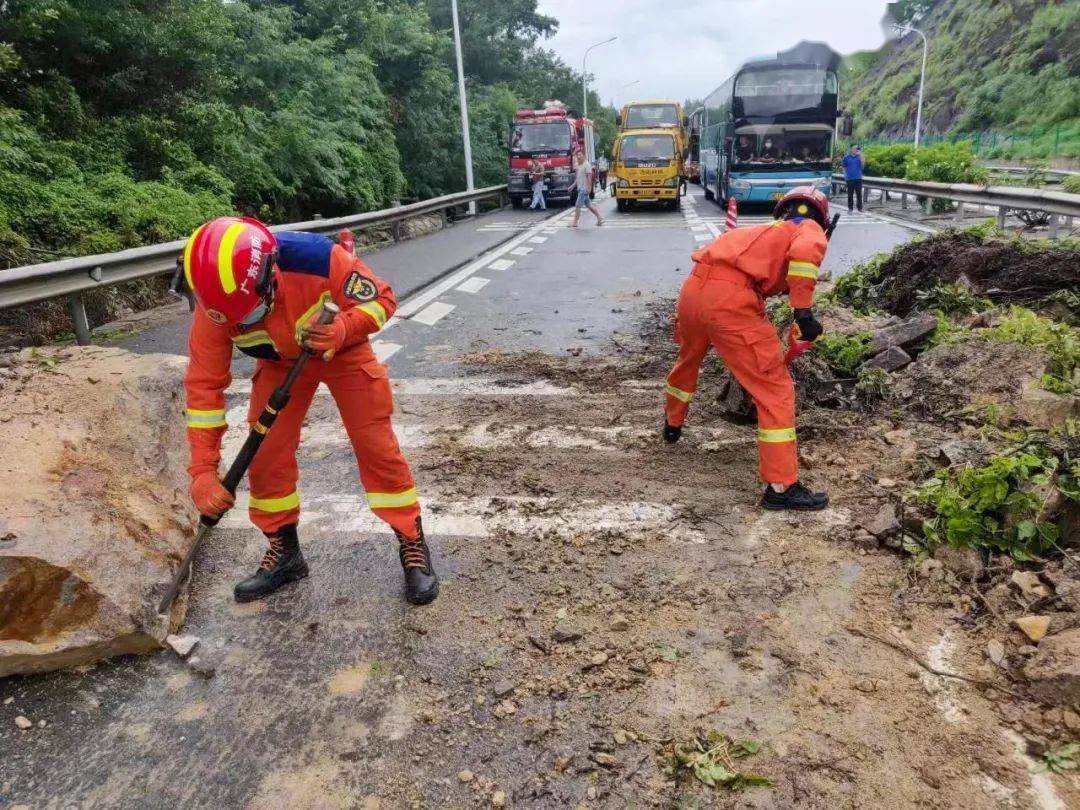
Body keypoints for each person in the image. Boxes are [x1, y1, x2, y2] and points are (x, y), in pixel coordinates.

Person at [181, 216, 439, 606]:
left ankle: (412, 543)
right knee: (266, 454)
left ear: (270, 275)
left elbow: (383, 301)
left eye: (249, 314)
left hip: (343, 351)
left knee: (376, 446)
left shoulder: (319, 260)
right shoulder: (217, 304)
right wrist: (202, 471)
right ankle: (284, 551)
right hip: (279, 365)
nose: (241, 322)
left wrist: (344, 329)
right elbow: (203, 388)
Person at [661, 186, 831, 511]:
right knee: (775, 389)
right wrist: (803, 312)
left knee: (688, 359)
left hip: (694, 291)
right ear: (821, 218)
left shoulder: (761, 231)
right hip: (731, 300)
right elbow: (807, 255)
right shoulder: (805, 227)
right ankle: (781, 488)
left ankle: (673, 424)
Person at [569, 149, 604, 228]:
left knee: (578, 205)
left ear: (583, 156)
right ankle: (599, 218)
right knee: (589, 205)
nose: (578, 157)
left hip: (584, 189)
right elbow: (578, 179)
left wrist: (589, 188)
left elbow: (589, 177)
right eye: (577, 155)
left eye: (580, 155)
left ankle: (575, 222)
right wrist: (572, 186)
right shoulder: (579, 165)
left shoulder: (587, 165)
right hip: (580, 188)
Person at [843, 144, 864, 212]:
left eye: (857, 148)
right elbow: (844, 167)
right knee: (850, 194)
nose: (856, 150)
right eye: (854, 148)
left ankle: (860, 208)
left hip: (858, 178)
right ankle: (850, 208)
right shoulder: (846, 157)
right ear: (851, 149)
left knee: (859, 194)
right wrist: (845, 175)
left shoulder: (859, 157)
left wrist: (860, 155)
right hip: (850, 178)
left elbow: (863, 166)